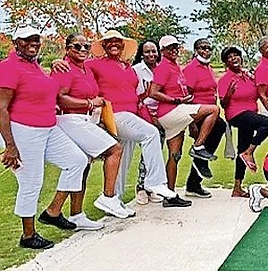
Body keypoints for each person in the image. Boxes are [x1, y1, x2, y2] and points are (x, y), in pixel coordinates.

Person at [0, 26, 88, 249]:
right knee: (31, 182)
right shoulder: (8, 67)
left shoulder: (35, 66)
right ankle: (28, 236)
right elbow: (1, 108)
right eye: (27, 39)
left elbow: (41, 90)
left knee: (77, 160)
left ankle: (53, 211)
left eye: (36, 39)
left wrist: (54, 66)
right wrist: (10, 145)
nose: (33, 43)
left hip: (48, 127)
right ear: (16, 42)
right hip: (24, 130)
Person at [86, 30, 177, 213]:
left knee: (123, 159)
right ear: (103, 46)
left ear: (123, 45)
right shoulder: (94, 64)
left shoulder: (127, 67)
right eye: (109, 41)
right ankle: (155, 181)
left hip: (131, 113)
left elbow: (130, 91)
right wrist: (58, 62)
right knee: (150, 134)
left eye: (117, 41)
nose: (114, 44)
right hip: (114, 113)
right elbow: (75, 67)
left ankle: (113, 200)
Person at [52, 33, 127, 229]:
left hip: (87, 119)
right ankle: (108, 196)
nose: (83, 50)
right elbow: (60, 98)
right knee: (115, 149)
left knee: (84, 165)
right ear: (68, 48)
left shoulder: (86, 68)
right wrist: (89, 102)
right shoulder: (65, 67)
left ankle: (76, 214)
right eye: (77, 47)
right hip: (70, 118)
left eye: (86, 47)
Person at [150, 35, 220, 207]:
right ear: (163, 51)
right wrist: (176, 101)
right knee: (214, 109)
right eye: (169, 48)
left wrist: (182, 99)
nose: (174, 50)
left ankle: (170, 196)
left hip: (175, 112)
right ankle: (198, 146)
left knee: (175, 155)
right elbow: (153, 92)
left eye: (176, 47)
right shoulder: (163, 67)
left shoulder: (175, 67)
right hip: (170, 111)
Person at [218, 46, 268, 197]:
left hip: (250, 113)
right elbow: (223, 104)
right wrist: (229, 94)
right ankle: (250, 152)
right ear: (226, 62)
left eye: (236, 55)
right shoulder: (225, 79)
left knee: (241, 149)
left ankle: (237, 187)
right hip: (237, 114)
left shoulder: (248, 76)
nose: (233, 58)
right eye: (229, 57)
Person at [182, 38, 228, 199]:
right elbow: (186, 96)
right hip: (198, 113)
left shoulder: (207, 68)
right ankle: (195, 176)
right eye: (202, 48)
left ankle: (193, 184)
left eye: (209, 48)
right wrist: (192, 123)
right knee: (220, 127)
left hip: (211, 114)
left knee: (220, 127)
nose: (206, 51)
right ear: (195, 50)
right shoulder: (191, 69)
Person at [132, 40, 165, 205]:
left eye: (154, 51)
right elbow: (135, 95)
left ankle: (153, 187)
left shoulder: (162, 69)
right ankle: (141, 188)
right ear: (141, 53)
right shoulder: (136, 70)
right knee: (147, 153)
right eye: (147, 52)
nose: (151, 55)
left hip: (162, 115)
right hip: (144, 115)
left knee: (157, 154)